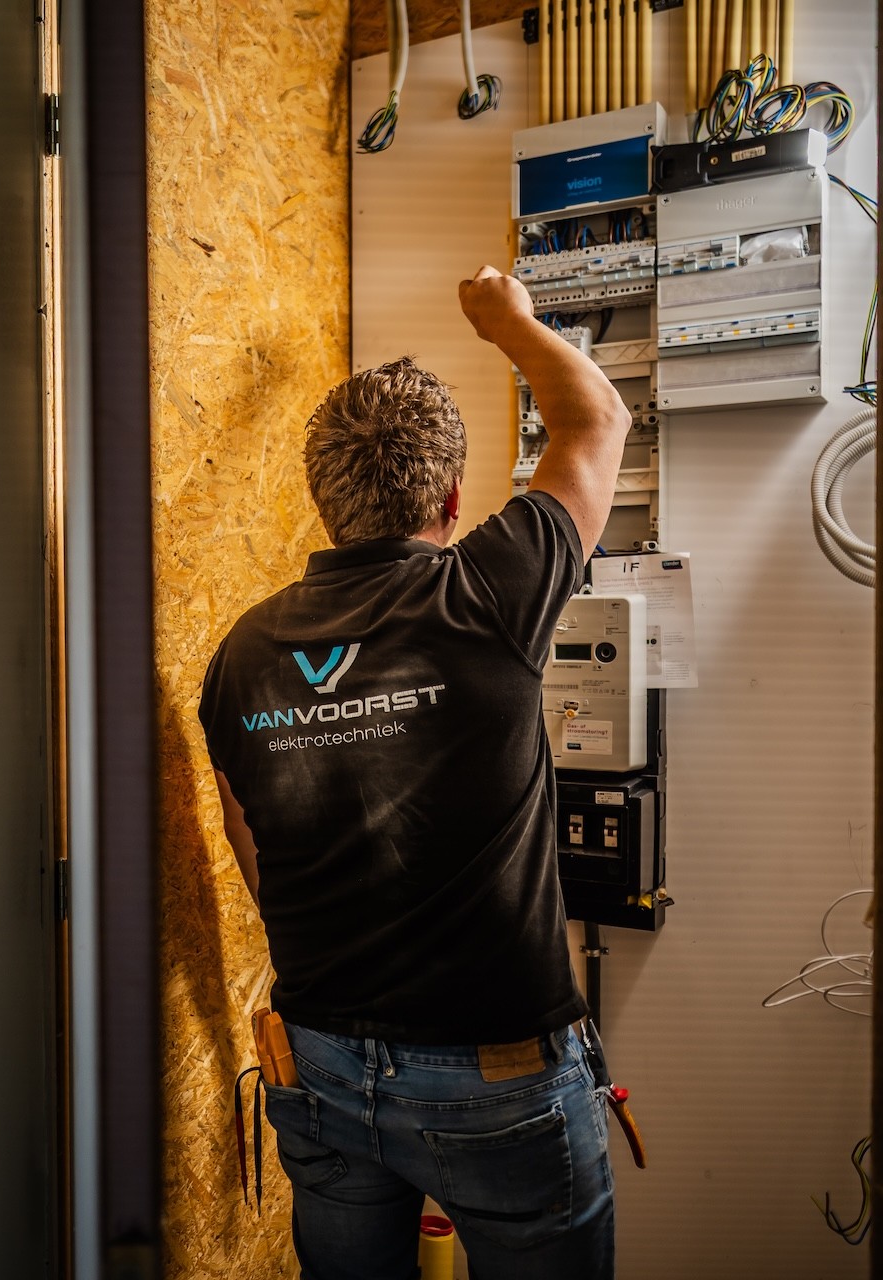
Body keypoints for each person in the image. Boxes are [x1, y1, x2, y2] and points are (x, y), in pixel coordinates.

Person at [197, 265, 632, 1279]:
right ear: (450, 496)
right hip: (500, 1081)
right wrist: (507, 320)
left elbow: (248, 841)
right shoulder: (488, 587)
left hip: (322, 1066)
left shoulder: (241, 652)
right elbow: (597, 419)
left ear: (324, 501)